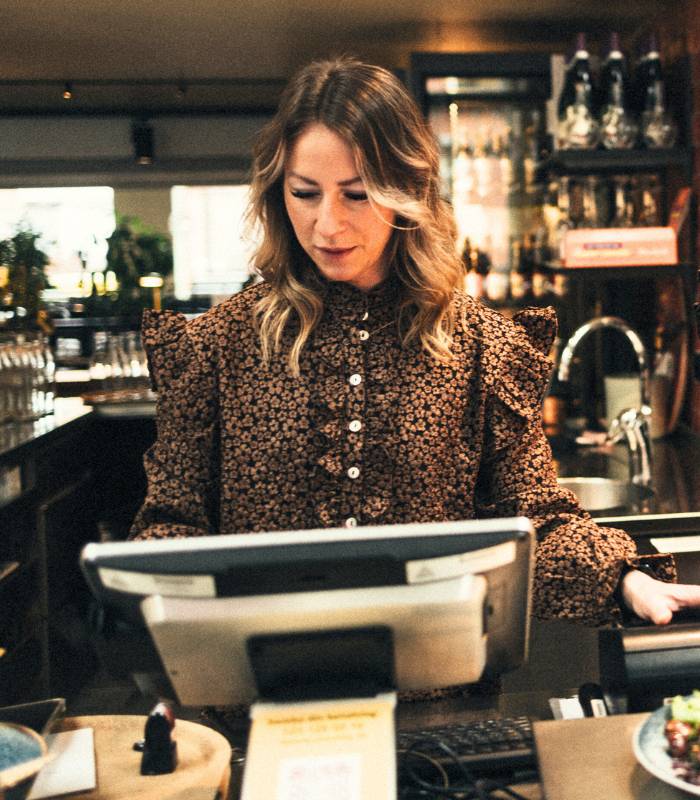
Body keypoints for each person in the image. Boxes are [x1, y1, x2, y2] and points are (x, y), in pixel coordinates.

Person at [130, 56, 700, 628]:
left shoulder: (483, 346)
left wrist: (623, 578)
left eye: (356, 195)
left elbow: (535, 518)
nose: (327, 224)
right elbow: (171, 524)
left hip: (436, 668)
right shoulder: (216, 346)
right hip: (257, 670)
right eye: (305, 193)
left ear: (407, 190)